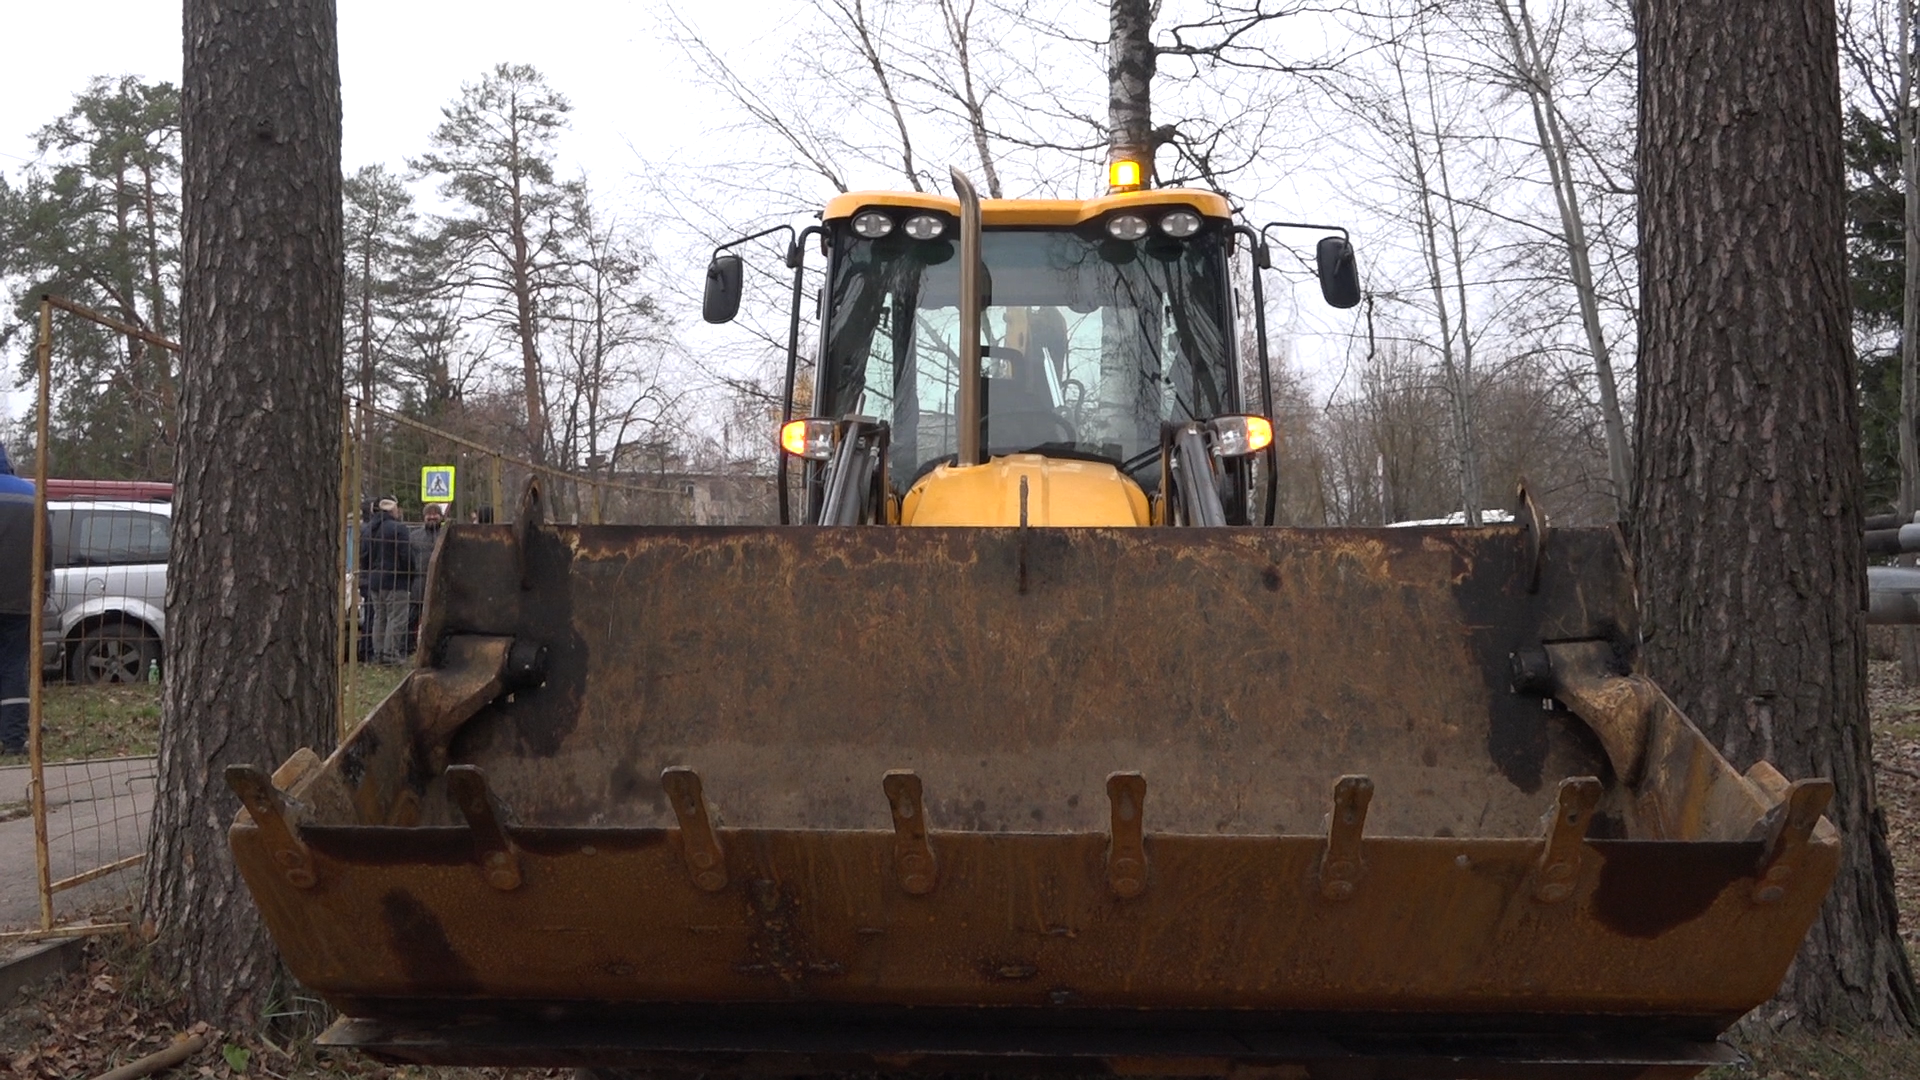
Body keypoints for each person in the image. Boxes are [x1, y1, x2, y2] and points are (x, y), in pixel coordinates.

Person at [0, 443, 41, 756]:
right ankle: (13, 738)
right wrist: (44, 589)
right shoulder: (30, 494)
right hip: (20, 599)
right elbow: (47, 547)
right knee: (15, 666)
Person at [358, 496, 414, 665]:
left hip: (374, 580)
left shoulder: (368, 530)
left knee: (379, 617)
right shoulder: (399, 529)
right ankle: (391, 654)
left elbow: (364, 557)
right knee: (396, 617)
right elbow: (406, 555)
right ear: (393, 510)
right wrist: (411, 573)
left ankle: (378, 653)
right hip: (396, 580)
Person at [407, 504, 444, 651]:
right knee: (413, 617)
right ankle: (409, 646)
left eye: (436, 514)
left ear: (441, 517)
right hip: (419, 582)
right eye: (429, 514)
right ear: (424, 517)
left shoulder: (446, 534)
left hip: (442, 582)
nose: (432, 517)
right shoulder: (414, 536)